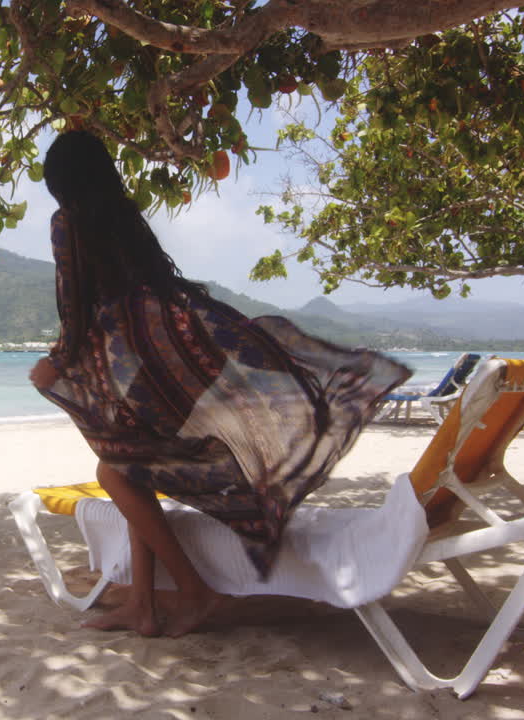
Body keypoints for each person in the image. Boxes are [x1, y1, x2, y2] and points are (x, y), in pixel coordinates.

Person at [29, 130, 411, 638]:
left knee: (119, 472)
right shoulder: (125, 216)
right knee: (129, 469)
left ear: (60, 183)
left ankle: (194, 592)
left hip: (142, 366)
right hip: (169, 360)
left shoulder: (68, 223)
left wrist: (55, 363)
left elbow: (73, 308)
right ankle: (143, 605)